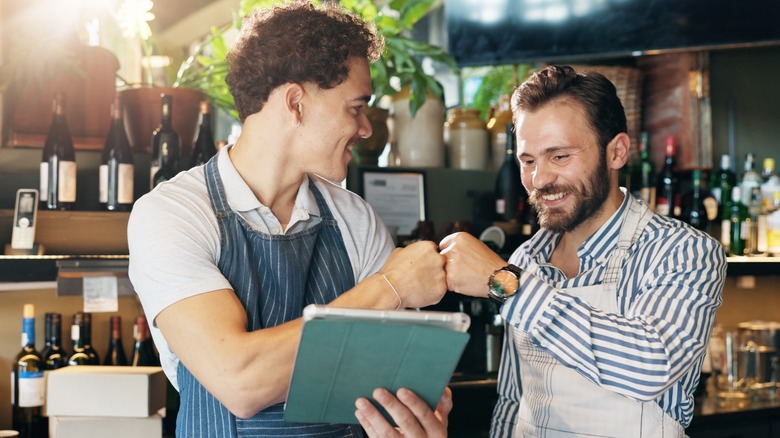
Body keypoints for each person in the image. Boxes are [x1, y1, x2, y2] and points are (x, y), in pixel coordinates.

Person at [127, 2, 449, 436]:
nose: (367, 128)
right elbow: (239, 381)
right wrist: (388, 287)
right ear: (295, 102)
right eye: (356, 107)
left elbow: (393, 381)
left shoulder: (355, 218)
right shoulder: (174, 214)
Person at [356, 65, 726, 437]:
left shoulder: (685, 252)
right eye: (528, 160)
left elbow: (649, 368)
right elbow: (514, 402)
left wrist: (505, 282)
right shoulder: (526, 259)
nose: (540, 179)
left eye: (560, 156)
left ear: (616, 152)